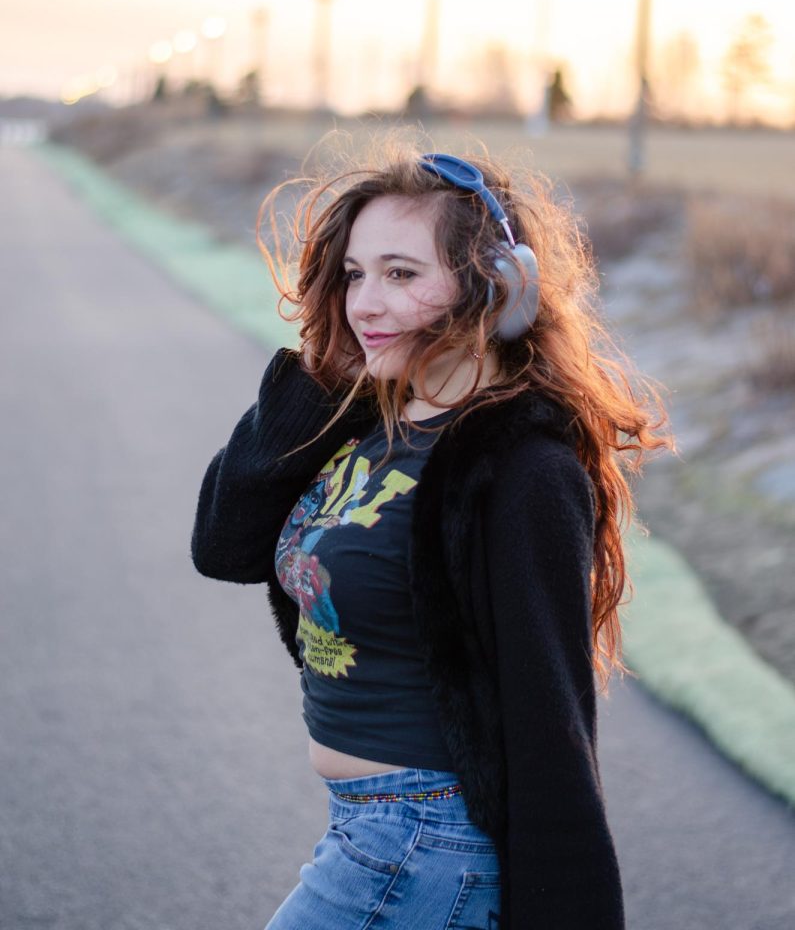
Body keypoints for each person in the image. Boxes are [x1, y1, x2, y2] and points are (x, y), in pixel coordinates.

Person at [191, 133, 673, 929]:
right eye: (354, 274)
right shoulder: (377, 423)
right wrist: (321, 376)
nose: (363, 301)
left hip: (425, 841)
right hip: (367, 829)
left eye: (401, 274)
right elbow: (222, 546)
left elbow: (547, 713)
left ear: (499, 288)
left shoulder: (519, 467)